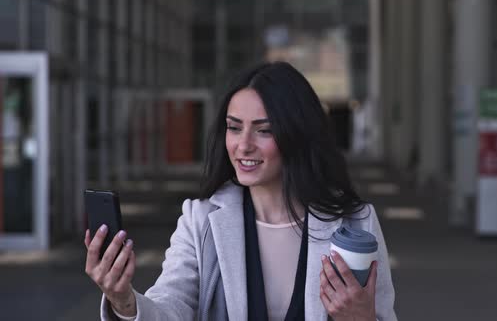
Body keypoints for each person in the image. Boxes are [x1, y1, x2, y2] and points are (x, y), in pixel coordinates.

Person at [84, 61, 398, 320]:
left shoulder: (355, 223)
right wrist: (124, 301)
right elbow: (170, 306)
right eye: (234, 127)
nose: (243, 145)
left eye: (264, 130)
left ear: (297, 134)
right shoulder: (201, 221)